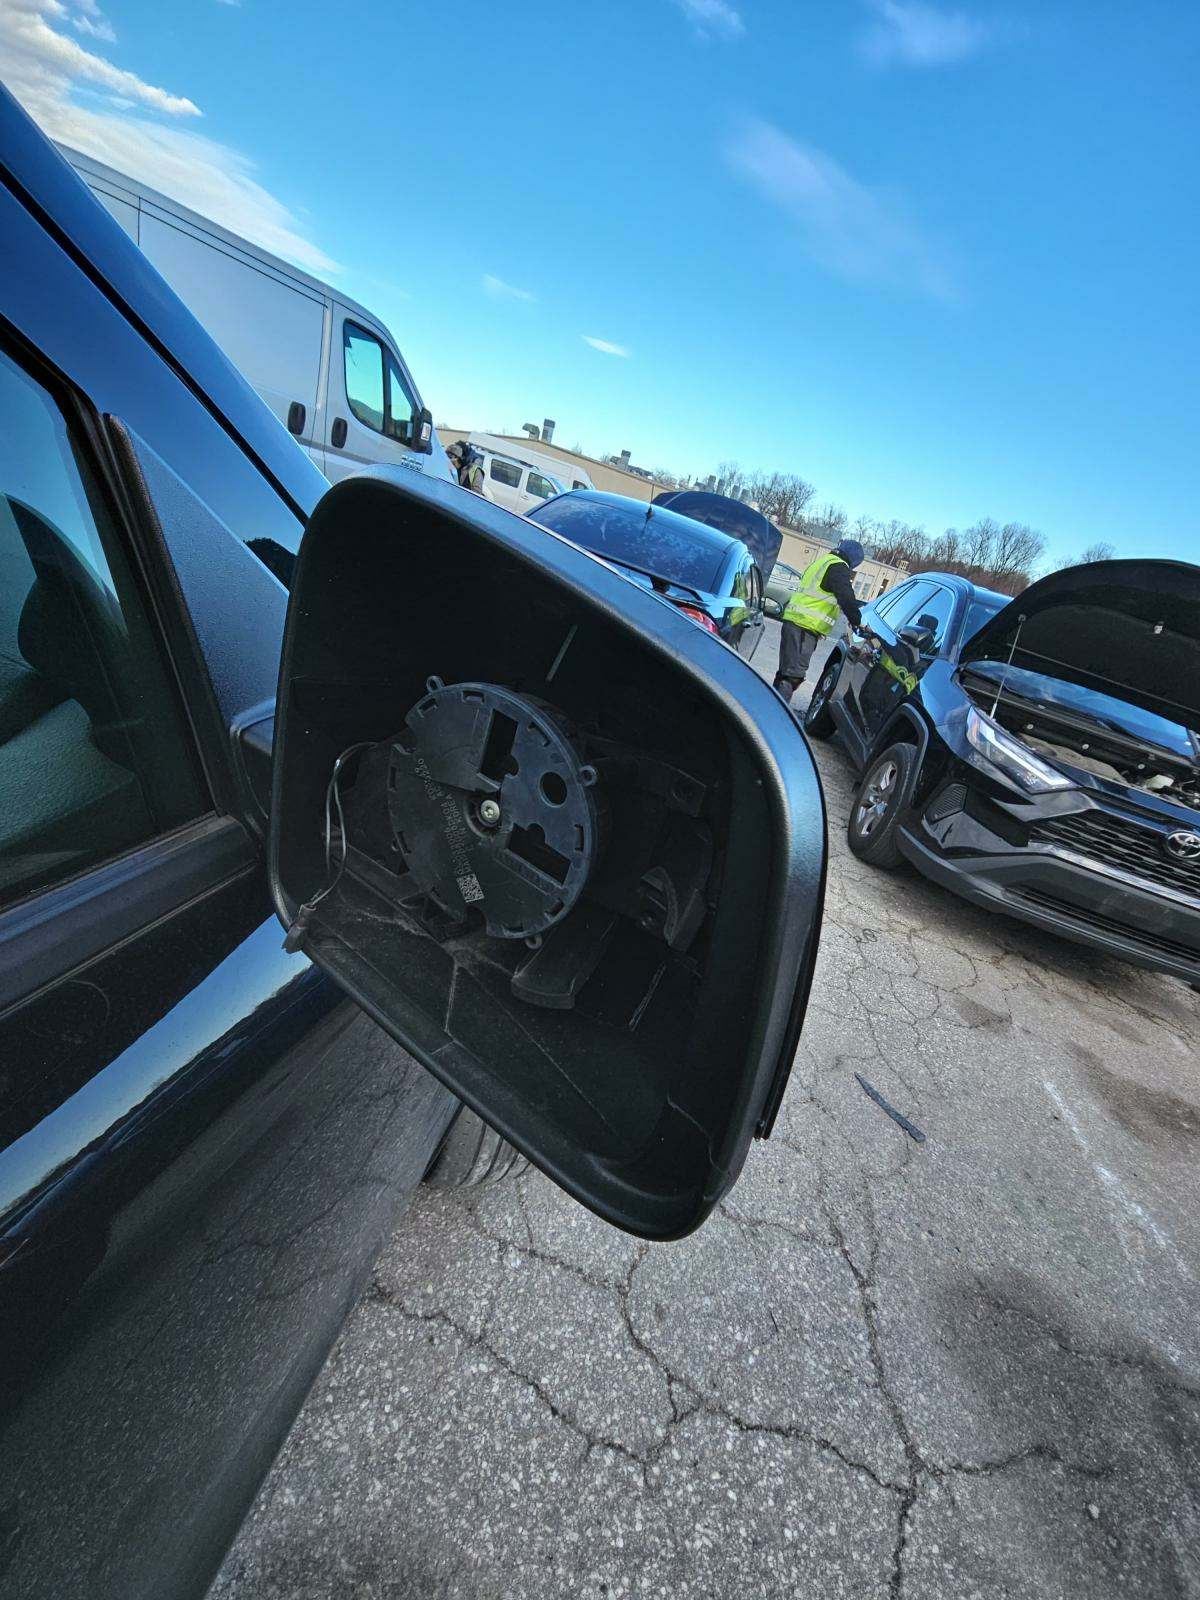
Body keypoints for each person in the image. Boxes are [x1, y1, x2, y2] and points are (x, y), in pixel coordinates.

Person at [773, 537, 866, 705]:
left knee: (786, 672)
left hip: (796, 623)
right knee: (793, 675)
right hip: (803, 626)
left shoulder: (823, 561)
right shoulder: (839, 567)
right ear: (853, 560)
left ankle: (769, 703)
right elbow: (846, 597)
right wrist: (857, 621)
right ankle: (775, 713)